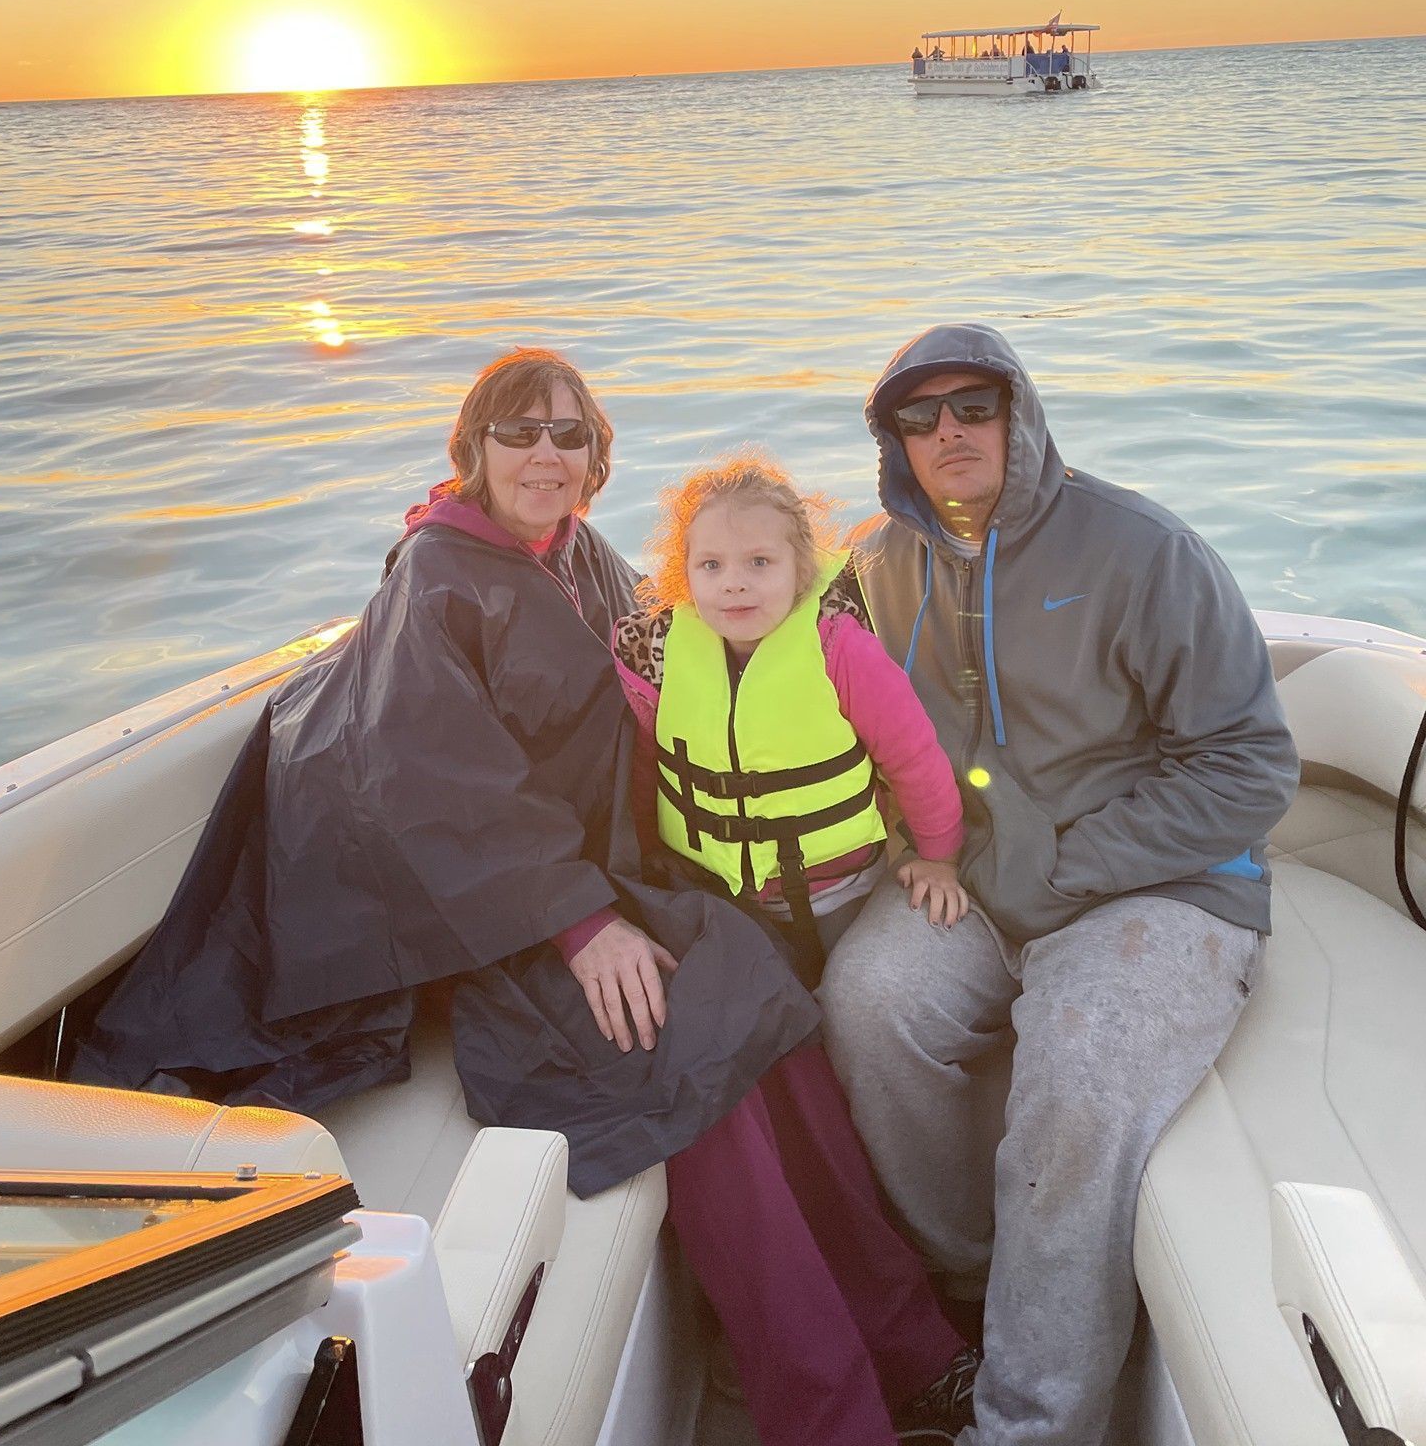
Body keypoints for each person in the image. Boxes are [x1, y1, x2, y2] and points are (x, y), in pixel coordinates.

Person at [71, 350, 971, 1446]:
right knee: (680, 1077)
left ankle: (912, 1345)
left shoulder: (570, 553)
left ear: (596, 460)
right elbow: (436, 785)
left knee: (766, 1007)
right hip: (481, 915)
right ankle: (825, 1413)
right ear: (472, 450)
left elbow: (640, 689)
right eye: (518, 431)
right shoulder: (439, 579)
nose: (545, 452)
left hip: (582, 872)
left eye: (568, 435)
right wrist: (585, 924)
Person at [819, 324, 1300, 1446]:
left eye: (974, 404)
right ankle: (974, 1291)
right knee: (869, 1004)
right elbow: (847, 713)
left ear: (1020, 410)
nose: (950, 430)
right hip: (977, 876)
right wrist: (910, 841)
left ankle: (1034, 1420)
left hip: (1160, 882)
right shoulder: (879, 561)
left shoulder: (1143, 550)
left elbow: (1251, 764)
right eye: (919, 414)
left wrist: (1071, 864)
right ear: (891, 437)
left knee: (1078, 1068)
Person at [613, 455, 969, 987]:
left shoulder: (840, 648)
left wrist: (940, 857)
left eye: (759, 562)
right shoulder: (662, 655)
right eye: (711, 565)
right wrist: (642, 864)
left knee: (837, 1007)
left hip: (837, 892)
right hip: (715, 892)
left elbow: (914, 758)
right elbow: (649, 773)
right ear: (683, 574)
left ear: (801, 568)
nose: (734, 583)